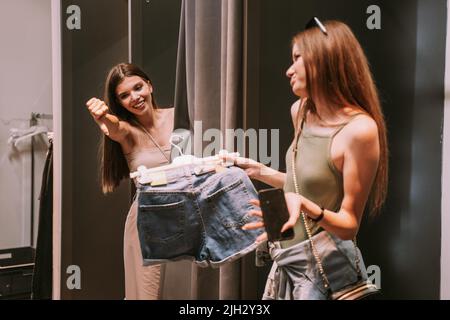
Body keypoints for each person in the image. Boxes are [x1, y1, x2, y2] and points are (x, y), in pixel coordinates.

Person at [231, 19, 388, 299]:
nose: (288, 70)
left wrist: (305, 206)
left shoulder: (359, 130)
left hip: (325, 272)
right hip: (288, 262)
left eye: (296, 59)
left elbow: (349, 224)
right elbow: (305, 185)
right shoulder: (300, 111)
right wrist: (258, 171)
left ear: (322, 60)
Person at [85, 63, 174, 299]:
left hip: (184, 216)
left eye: (138, 87)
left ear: (149, 85)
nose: (134, 97)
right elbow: (113, 128)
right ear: (119, 103)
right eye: (124, 95)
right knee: (149, 292)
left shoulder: (179, 117)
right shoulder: (126, 130)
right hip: (148, 221)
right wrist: (102, 117)